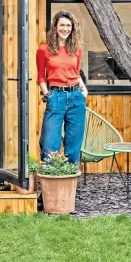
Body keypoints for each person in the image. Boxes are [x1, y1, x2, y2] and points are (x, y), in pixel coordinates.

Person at [37, 10, 87, 164]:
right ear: (55, 27)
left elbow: (76, 72)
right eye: (62, 25)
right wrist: (47, 93)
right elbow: (41, 75)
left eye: (68, 25)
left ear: (72, 28)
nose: (65, 29)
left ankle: (70, 181)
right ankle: (51, 181)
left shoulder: (77, 48)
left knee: (73, 145)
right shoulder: (44, 49)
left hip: (76, 98)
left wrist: (84, 90)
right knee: (49, 143)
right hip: (56, 97)